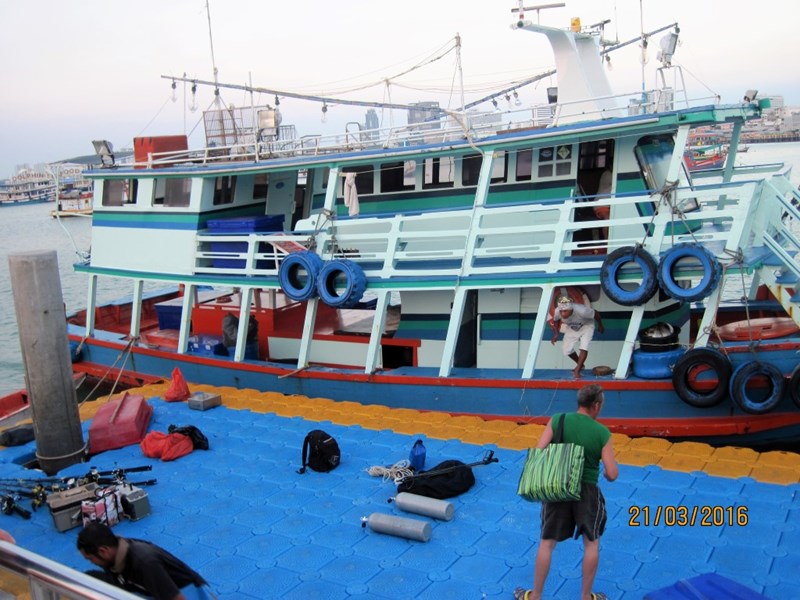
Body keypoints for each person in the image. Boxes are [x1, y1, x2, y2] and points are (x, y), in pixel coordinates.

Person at [515, 384, 619, 600]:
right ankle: (585, 597)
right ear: (596, 405)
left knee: (547, 542)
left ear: (579, 402)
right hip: (588, 492)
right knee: (591, 544)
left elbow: (539, 450)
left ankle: (536, 596)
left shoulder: (558, 420)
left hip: (558, 487)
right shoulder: (602, 432)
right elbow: (612, 473)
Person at [77, 522, 208, 600]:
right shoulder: (113, 556)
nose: (91, 562)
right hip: (147, 589)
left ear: (103, 551)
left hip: (185, 592)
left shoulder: (144, 562)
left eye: (90, 558)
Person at [550, 296, 604, 378]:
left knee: (583, 346)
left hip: (586, 325)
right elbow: (556, 320)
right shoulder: (558, 311)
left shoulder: (582, 311)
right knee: (566, 350)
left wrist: (600, 325)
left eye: (565, 311)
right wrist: (556, 334)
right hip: (572, 327)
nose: (563, 314)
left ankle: (577, 369)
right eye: (561, 311)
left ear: (571, 309)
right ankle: (581, 365)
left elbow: (595, 313)